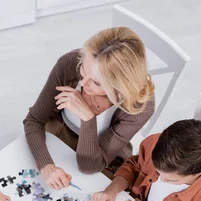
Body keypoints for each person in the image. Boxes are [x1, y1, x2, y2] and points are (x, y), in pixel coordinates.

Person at [24, 27, 156, 189]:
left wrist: (88, 119)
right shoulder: (69, 63)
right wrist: (46, 166)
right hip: (58, 134)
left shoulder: (141, 106)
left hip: (102, 155)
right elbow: (34, 120)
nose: (84, 84)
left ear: (120, 87)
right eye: (83, 70)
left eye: (97, 82)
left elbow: (90, 166)